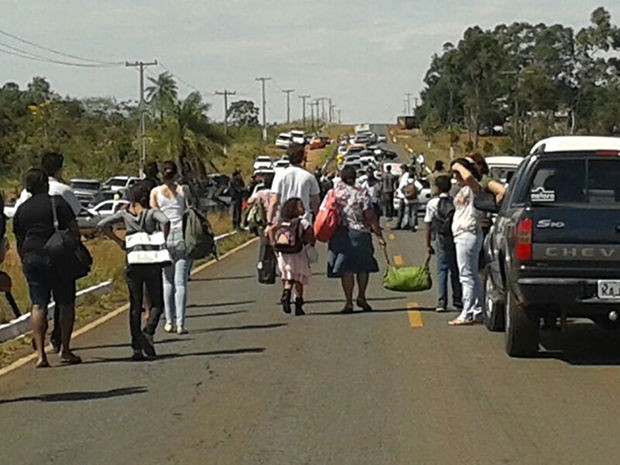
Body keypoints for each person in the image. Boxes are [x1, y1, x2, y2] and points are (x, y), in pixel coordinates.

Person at [13, 169, 82, 367]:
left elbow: (19, 239)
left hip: (32, 257)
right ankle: (65, 349)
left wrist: (24, 258)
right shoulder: (57, 203)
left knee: (38, 304)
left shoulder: (22, 209)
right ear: (45, 184)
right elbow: (74, 230)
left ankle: (41, 355)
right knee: (66, 303)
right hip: (58, 257)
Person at [98, 182, 170, 360]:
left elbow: (102, 224)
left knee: (135, 305)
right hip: (151, 261)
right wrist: (162, 239)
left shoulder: (124, 214)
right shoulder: (151, 213)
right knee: (157, 303)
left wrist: (119, 241)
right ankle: (148, 331)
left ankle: (136, 347)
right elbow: (166, 221)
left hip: (133, 261)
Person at [326, 165, 386, 313]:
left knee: (346, 269)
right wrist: (379, 235)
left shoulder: (334, 193)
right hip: (361, 233)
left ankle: (348, 302)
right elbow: (369, 215)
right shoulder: (361, 192)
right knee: (363, 267)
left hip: (341, 234)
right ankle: (361, 296)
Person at [150, 160, 191, 335]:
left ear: (161, 174)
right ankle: (181, 323)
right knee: (180, 282)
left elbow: (153, 216)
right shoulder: (183, 190)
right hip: (181, 235)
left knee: (167, 281)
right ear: (176, 174)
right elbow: (189, 211)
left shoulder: (155, 192)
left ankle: (169, 321)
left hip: (163, 238)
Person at [448, 158, 484, 326]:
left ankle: (467, 312)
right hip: (463, 235)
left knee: (466, 276)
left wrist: (458, 165)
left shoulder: (473, 188)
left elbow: (469, 178)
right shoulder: (462, 190)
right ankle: (477, 309)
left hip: (467, 234)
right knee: (472, 275)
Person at [269, 197, 315, 316]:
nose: (303, 208)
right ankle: (298, 304)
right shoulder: (302, 222)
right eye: (301, 206)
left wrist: (273, 244)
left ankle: (286, 292)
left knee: (288, 277)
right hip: (298, 252)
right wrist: (310, 243)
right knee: (299, 278)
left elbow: (270, 230)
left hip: (283, 254)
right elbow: (311, 233)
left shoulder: (280, 222)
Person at [424, 175, 462, 312]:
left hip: (440, 237)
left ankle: (442, 301)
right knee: (455, 268)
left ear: (438, 188)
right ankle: (458, 299)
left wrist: (428, 244)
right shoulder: (456, 201)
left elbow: (428, 224)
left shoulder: (432, 203)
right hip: (455, 236)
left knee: (442, 269)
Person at [268, 144, 320, 224]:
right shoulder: (309, 176)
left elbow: (274, 201)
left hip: (283, 222)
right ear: (303, 157)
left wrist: (269, 222)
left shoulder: (280, 175)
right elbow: (315, 202)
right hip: (304, 223)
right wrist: (317, 220)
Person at [396, 166, 423, 231]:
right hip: (414, 199)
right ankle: (412, 226)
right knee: (413, 213)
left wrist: (405, 193)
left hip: (407, 200)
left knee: (407, 213)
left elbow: (401, 187)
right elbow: (420, 187)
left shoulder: (405, 180)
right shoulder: (415, 181)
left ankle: (407, 224)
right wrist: (416, 193)